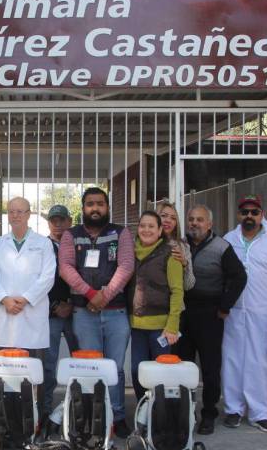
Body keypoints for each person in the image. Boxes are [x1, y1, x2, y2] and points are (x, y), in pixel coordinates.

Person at [58, 187, 135, 436]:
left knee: (115, 368)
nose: (95, 208)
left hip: (116, 313)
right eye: (90, 204)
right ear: (83, 208)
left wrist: (105, 296)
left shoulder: (120, 233)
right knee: (91, 367)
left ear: (107, 207)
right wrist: (91, 295)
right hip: (84, 313)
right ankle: (93, 417)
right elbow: (66, 268)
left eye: (100, 204)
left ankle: (118, 416)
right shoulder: (71, 235)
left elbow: (126, 266)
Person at [221, 194, 267, 433]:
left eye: (254, 212)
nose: (249, 216)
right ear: (239, 215)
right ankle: (233, 409)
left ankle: (259, 412)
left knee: (260, 363)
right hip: (232, 312)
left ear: (262, 215)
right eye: (245, 212)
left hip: (262, 312)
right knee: (232, 360)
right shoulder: (228, 240)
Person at [180, 204, 247, 435]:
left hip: (209, 315)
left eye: (199, 220)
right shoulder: (180, 245)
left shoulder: (222, 247)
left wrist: (225, 306)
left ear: (209, 224)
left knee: (210, 368)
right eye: (191, 219)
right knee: (183, 368)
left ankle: (209, 414)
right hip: (183, 313)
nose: (194, 224)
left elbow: (239, 277)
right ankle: (184, 412)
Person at [0, 197, 55, 359]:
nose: (15, 216)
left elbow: (48, 277)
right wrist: (4, 299)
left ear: (28, 214)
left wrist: (26, 299)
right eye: (11, 212)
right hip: (4, 312)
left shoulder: (43, 243)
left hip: (32, 314)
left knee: (32, 374)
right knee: (2, 372)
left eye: (20, 212)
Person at [127, 210, 184, 401]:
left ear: (160, 230)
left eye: (151, 226)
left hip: (161, 329)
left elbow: (177, 291)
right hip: (137, 326)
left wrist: (172, 325)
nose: (146, 229)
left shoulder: (171, 254)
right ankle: (144, 411)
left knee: (160, 374)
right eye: (142, 225)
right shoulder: (130, 253)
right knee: (137, 371)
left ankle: (159, 415)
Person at [43, 204, 79, 415]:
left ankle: (77, 409)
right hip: (51, 314)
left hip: (77, 311)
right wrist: (54, 306)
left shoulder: (79, 244)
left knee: (82, 362)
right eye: (53, 221)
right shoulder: (40, 246)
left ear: (69, 222)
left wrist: (73, 303)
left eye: (62, 220)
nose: (57, 225)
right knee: (48, 364)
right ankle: (46, 411)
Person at [156, 200, 196, 292]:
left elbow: (188, 286)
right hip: (150, 303)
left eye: (173, 218)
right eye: (163, 216)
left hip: (176, 305)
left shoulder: (183, 246)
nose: (168, 220)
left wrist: (185, 264)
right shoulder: (146, 242)